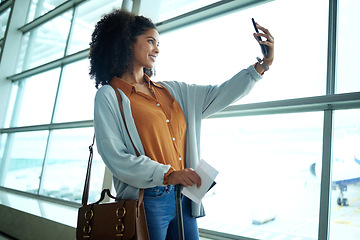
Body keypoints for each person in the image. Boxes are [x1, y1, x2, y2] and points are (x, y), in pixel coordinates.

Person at [90, 9, 274, 240]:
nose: (157, 49)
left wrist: (262, 65)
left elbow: (220, 94)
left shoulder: (172, 91)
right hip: (147, 201)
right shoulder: (109, 95)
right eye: (150, 41)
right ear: (127, 42)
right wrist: (168, 174)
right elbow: (115, 156)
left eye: (158, 43)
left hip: (185, 197)